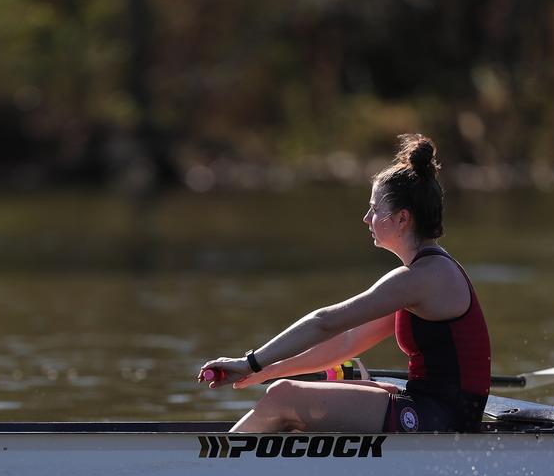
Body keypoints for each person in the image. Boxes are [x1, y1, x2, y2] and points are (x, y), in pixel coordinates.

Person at [200, 134, 490, 434]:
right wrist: (265, 371)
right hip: (432, 407)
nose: (366, 218)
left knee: (282, 397)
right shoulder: (423, 276)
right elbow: (346, 341)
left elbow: (325, 322)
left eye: (375, 209)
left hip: (442, 418)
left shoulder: (423, 277)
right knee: (313, 385)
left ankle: (211, 464)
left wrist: (251, 361)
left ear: (402, 219)